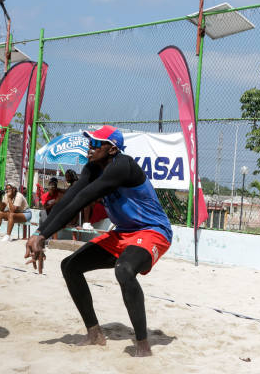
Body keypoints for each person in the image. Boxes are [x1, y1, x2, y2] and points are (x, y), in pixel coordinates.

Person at [25, 125, 172, 357]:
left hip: (153, 230)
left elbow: (84, 198)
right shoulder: (92, 168)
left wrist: (42, 235)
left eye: (95, 144)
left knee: (124, 270)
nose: (89, 148)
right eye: (89, 143)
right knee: (70, 266)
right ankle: (94, 334)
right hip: (122, 232)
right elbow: (71, 197)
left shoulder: (123, 166)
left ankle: (143, 345)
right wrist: (41, 232)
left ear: (112, 149)